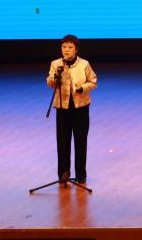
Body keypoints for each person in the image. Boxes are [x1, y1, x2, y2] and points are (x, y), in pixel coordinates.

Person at [46, 34, 97, 184]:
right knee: (63, 142)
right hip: (62, 108)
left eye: (70, 47)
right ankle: (64, 174)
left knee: (80, 141)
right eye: (64, 47)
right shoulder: (56, 64)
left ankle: (81, 175)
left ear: (76, 49)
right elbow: (50, 83)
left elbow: (93, 82)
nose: (66, 50)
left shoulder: (84, 64)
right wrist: (55, 77)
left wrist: (82, 88)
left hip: (80, 108)